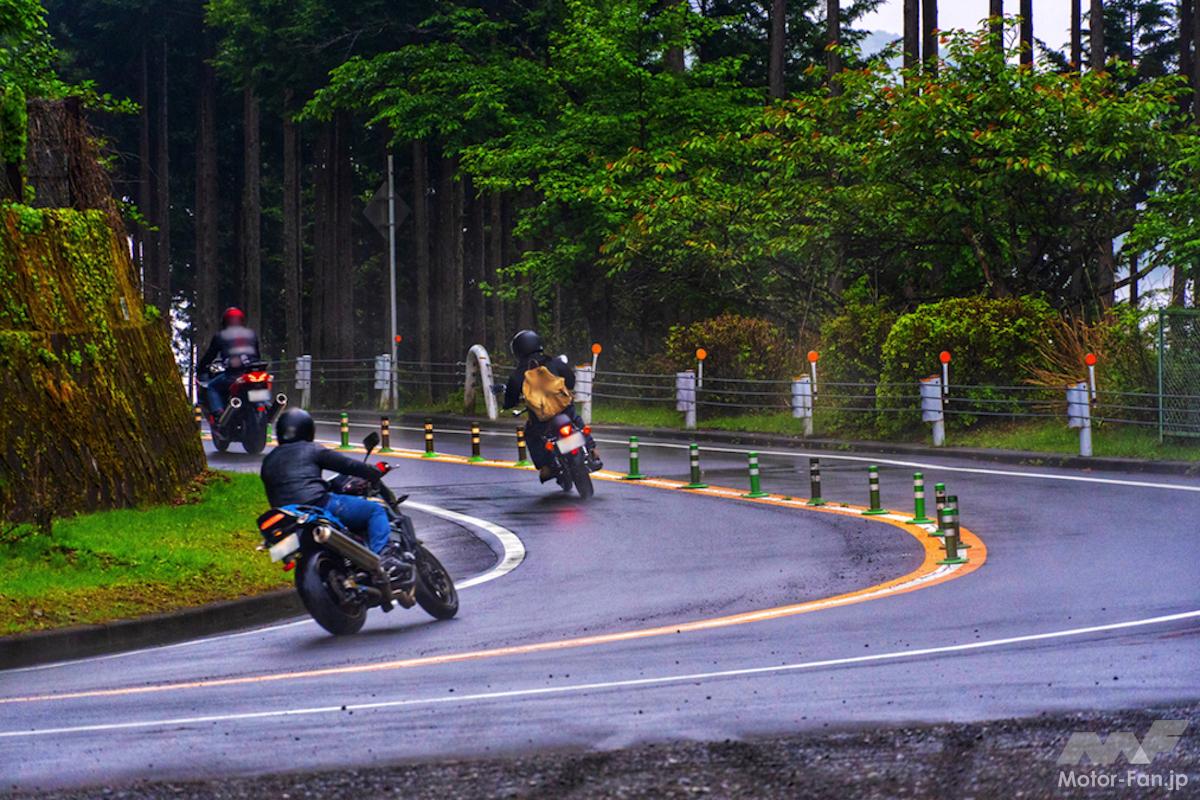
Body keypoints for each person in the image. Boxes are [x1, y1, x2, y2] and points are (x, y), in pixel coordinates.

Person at [260, 408, 410, 580]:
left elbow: (274, 491)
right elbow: (348, 465)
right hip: (317, 505)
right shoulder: (312, 449)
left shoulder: (268, 460)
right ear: (308, 429)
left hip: (288, 516)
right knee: (374, 510)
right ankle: (383, 559)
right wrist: (373, 471)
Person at [499, 329, 600, 481]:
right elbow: (571, 381)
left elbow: (509, 401)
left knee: (531, 435)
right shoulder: (554, 363)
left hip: (541, 418)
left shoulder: (518, 375)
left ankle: (545, 466)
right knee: (577, 421)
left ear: (518, 351)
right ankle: (592, 449)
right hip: (565, 410)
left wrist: (507, 404)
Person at [197, 307, 261, 421]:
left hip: (233, 375)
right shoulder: (251, 334)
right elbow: (257, 356)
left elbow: (209, 356)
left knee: (212, 387)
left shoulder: (221, 336)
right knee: (259, 390)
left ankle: (219, 412)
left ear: (225, 322)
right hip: (252, 374)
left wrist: (201, 369)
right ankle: (262, 405)